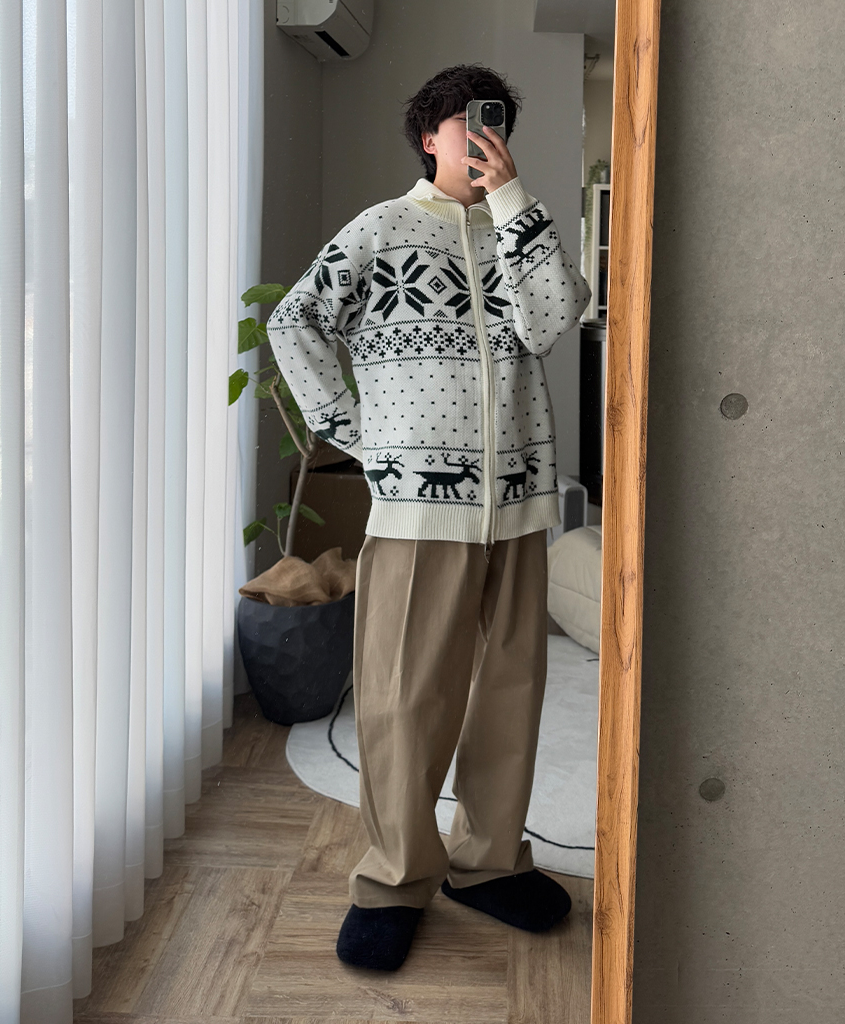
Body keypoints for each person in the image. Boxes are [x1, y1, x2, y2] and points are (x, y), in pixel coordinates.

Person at [266, 63, 591, 971]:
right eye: (465, 123)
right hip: (416, 509)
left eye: (496, 122)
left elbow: (553, 320)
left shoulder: (521, 230)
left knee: (510, 692)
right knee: (404, 701)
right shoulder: (382, 228)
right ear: (427, 137)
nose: (483, 136)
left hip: (518, 505)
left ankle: (488, 865)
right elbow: (293, 322)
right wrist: (352, 431)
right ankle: (393, 880)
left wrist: (515, 202)